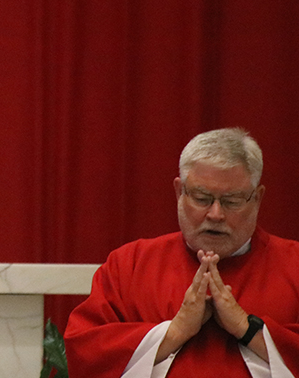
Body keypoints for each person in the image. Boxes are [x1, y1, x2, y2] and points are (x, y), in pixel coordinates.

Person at [65, 128, 299, 377]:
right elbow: (85, 350)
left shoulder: (293, 264)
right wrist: (175, 332)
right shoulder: (130, 265)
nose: (215, 214)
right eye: (201, 198)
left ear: (258, 198)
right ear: (179, 192)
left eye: (232, 201)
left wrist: (248, 329)